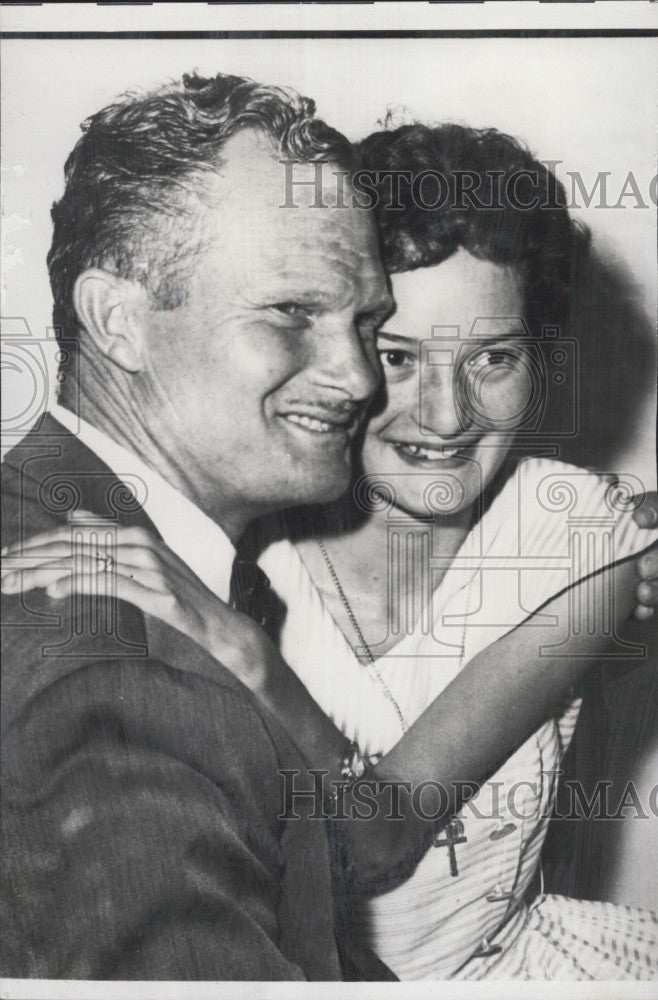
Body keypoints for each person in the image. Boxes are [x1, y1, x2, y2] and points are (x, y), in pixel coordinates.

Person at [7, 119, 658, 979]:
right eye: (396, 355)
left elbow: (379, 835)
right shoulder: (251, 512)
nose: (448, 414)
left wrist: (250, 658)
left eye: (494, 357)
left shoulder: (574, 540)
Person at [0, 71, 396, 980]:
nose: (360, 377)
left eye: (366, 321)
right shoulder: (107, 662)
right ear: (118, 322)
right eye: (292, 312)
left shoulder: (117, 546)